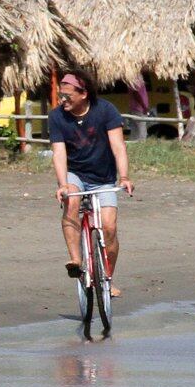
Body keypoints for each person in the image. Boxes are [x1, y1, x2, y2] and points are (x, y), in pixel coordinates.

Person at [49, 69, 134, 297]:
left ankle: (106, 278)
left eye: (67, 96)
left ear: (83, 93)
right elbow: (59, 153)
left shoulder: (105, 110)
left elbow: (118, 147)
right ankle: (76, 261)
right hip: (75, 174)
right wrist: (62, 184)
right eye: (61, 95)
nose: (62, 100)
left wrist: (124, 177)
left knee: (109, 227)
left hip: (103, 177)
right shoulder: (56, 116)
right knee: (71, 204)